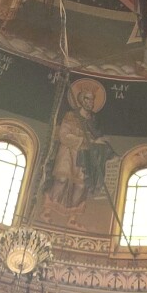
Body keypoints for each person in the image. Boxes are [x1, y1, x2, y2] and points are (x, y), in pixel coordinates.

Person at [40, 85, 115, 225]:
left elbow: (98, 137)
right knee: (61, 179)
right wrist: (88, 140)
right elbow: (64, 135)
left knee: (80, 185)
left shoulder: (93, 121)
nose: (90, 102)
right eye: (87, 99)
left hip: (84, 157)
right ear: (81, 99)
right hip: (67, 153)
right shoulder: (71, 115)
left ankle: (72, 219)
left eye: (92, 100)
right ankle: (47, 211)